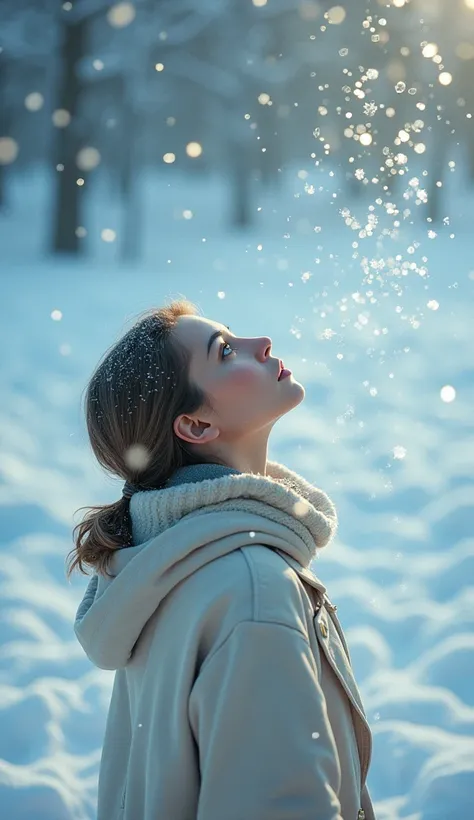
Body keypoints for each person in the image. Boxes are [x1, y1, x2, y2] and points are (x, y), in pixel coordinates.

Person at [68, 298, 376, 820]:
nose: (261, 345)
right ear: (194, 426)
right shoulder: (255, 589)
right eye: (227, 351)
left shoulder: (158, 566)